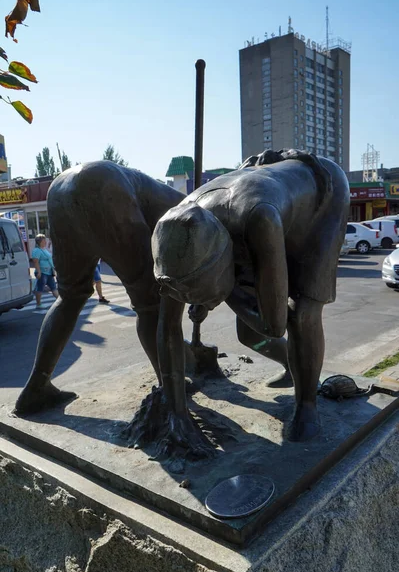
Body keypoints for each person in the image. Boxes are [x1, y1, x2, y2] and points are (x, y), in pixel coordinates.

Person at [149, 150, 350, 455]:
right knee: (248, 335)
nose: (198, 307)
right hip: (257, 191)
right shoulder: (174, 234)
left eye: (204, 295)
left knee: (304, 312)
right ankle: (290, 362)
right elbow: (167, 330)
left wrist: (228, 294)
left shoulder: (260, 219)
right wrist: (178, 414)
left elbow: (275, 323)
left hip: (322, 195)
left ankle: (307, 406)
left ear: (224, 264)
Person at [14, 161, 184, 416]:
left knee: (70, 297)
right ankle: (171, 392)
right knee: (150, 305)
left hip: (60, 188)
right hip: (103, 185)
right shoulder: (191, 206)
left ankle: (36, 386)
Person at [31, 234, 58, 309]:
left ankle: (60, 302)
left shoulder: (44, 249)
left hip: (49, 272)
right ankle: (38, 304)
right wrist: (39, 272)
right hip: (42, 273)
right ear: (39, 242)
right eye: (44, 241)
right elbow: (35, 261)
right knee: (40, 288)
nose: (45, 242)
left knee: (53, 288)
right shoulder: (37, 250)